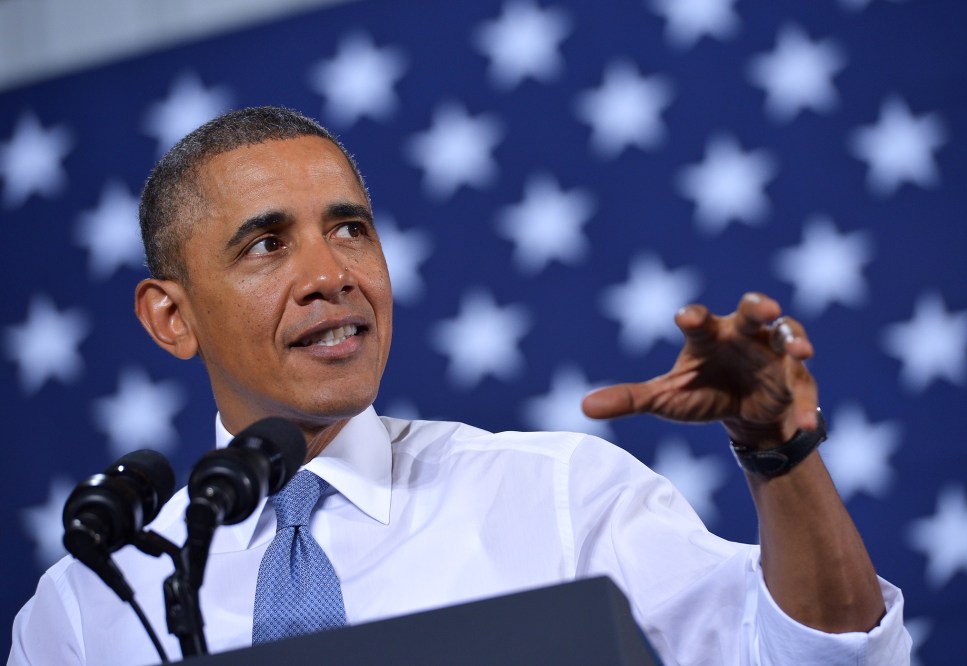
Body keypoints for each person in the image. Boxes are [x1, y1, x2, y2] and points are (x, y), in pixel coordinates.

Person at [8, 107, 910, 664]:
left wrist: (780, 455)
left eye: (351, 228)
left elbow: (826, 661)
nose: (333, 274)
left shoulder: (560, 497)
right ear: (172, 317)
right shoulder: (92, 607)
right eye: (267, 243)